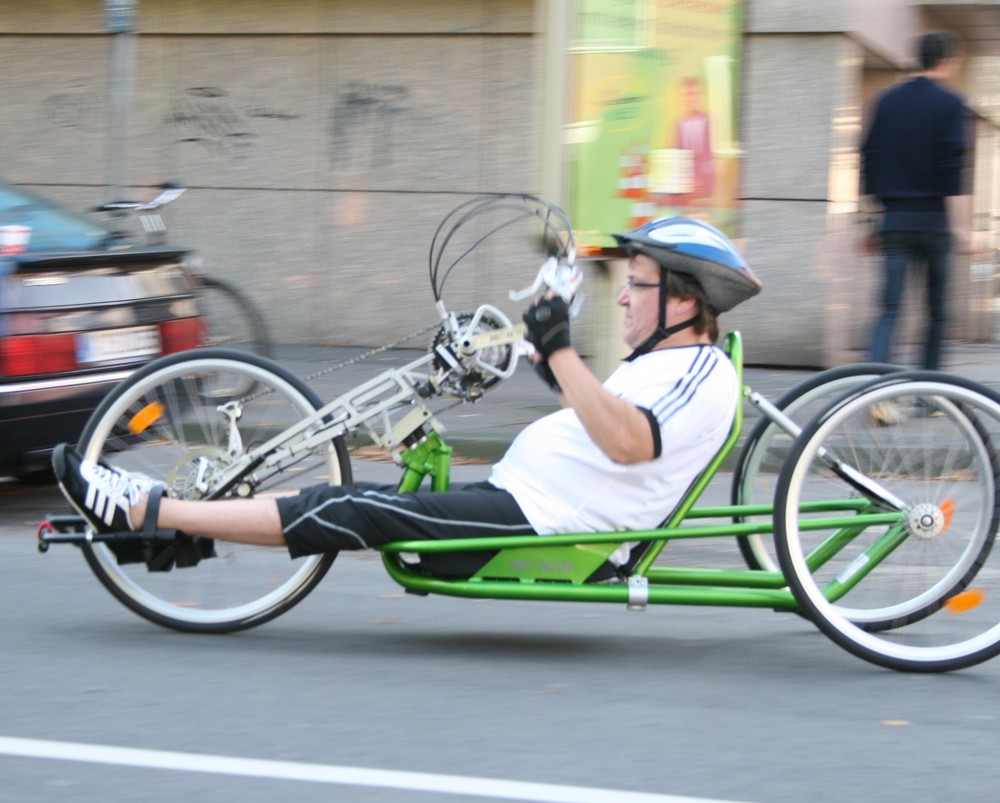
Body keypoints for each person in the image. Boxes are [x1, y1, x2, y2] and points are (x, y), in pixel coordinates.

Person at [52, 217, 762, 579]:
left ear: (683, 300)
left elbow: (628, 441)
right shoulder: (662, 366)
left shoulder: (700, 371)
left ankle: (147, 509)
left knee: (353, 506)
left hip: (553, 531)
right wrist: (550, 356)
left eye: (637, 286)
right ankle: (184, 532)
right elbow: (602, 419)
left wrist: (561, 350)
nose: (627, 300)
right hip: (529, 504)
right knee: (380, 493)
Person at [861, 30, 968, 371]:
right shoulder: (951, 104)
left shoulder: (886, 101)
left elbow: (869, 159)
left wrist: (869, 222)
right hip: (935, 225)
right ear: (947, 62)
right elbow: (954, 169)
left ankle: (871, 385)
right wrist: (962, 227)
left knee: (889, 309)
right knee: (936, 315)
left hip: (894, 222)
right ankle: (929, 396)